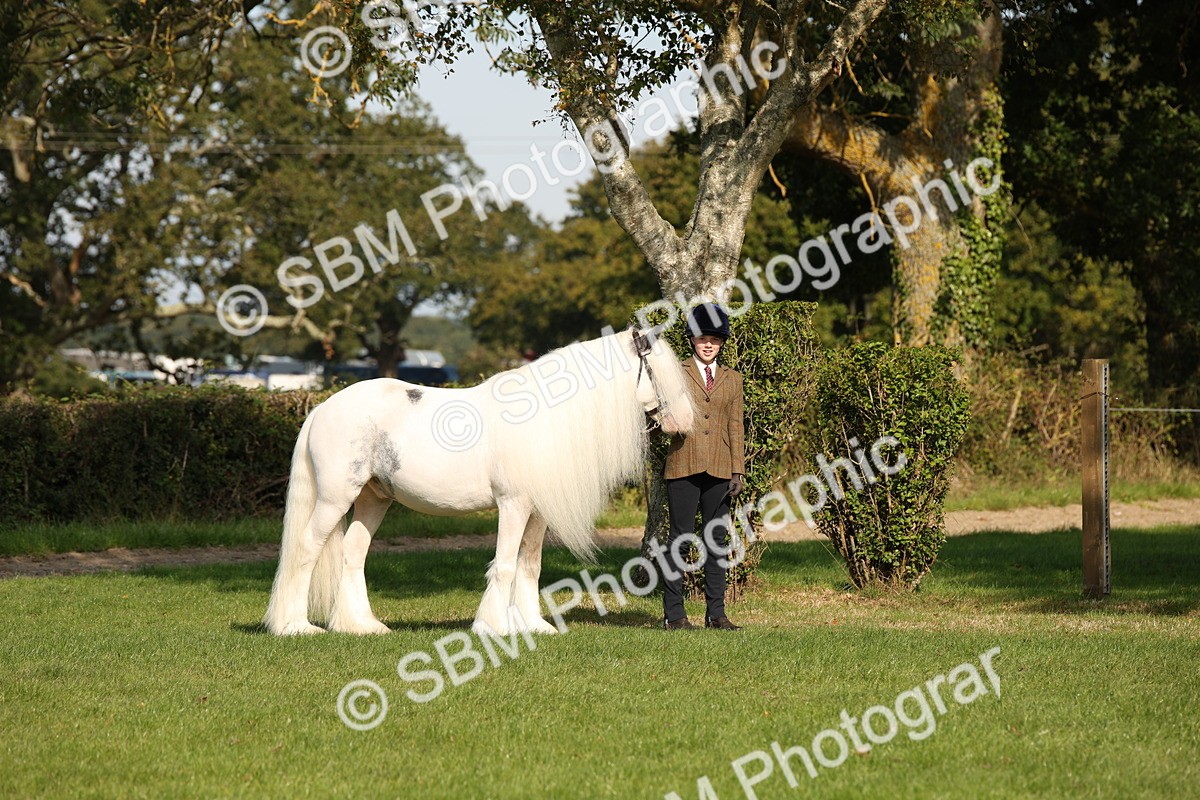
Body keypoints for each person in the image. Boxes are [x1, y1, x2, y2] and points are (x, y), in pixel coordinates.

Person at [661, 302, 745, 631]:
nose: (708, 344)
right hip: (683, 462)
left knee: (716, 541)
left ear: (722, 341)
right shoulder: (676, 372)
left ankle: (716, 614)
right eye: (701, 338)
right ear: (692, 340)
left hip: (721, 467)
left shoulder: (733, 379)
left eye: (715, 338)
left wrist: (737, 469)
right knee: (679, 539)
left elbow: (735, 426)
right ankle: (674, 614)